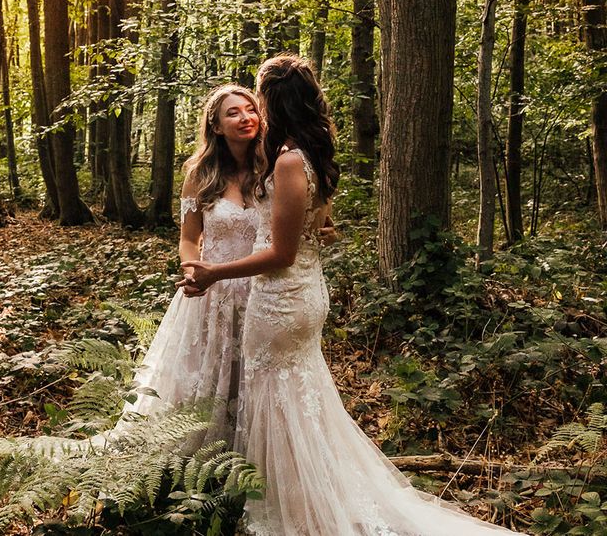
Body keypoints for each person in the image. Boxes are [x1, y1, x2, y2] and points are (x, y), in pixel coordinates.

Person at [180, 55, 525, 535]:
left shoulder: (285, 159)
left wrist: (215, 272)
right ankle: (298, 488)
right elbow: (311, 226)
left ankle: (294, 508)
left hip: (280, 297)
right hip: (302, 293)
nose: (251, 108)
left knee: (277, 403)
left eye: (257, 96)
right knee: (297, 401)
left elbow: (279, 253)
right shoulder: (303, 153)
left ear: (272, 100)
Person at [122, 84, 262, 447]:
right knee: (206, 374)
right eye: (233, 112)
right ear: (215, 126)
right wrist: (192, 272)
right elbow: (188, 238)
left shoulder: (273, 168)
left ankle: (252, 451)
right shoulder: (201, 175)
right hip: (209, 289)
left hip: (262, 290)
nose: (246, 117)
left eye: (251, 109)